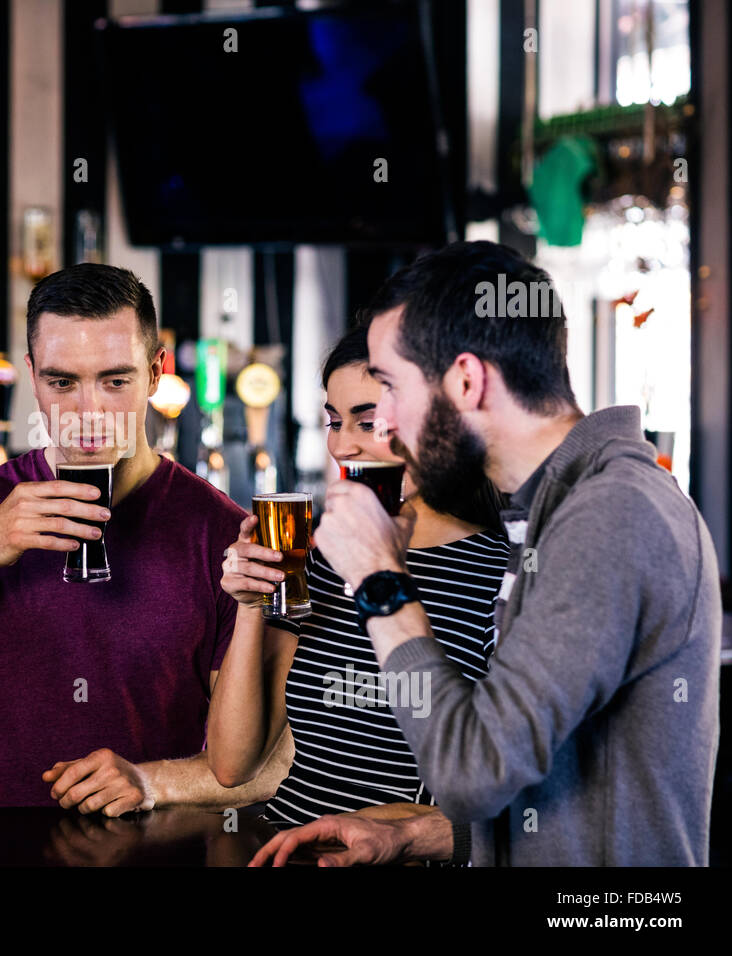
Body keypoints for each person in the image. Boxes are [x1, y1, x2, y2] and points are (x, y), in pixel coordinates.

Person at [301, 240, 720, 865]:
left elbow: (471, 772)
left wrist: (378, 577)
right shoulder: (547, 506)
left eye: (389, 386)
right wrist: (414, 835)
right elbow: (543, 774)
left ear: (467, 381)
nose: (381, 422)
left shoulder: (611, 512)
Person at [0, 263, 293, 812]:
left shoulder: (220, 532)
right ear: (32, 374)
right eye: (62, 382)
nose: (88, 412)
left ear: (155, 373)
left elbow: (268, 763)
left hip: (149, 857)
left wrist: (153, 783)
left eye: (115, 381)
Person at [205, 325, 510, 866]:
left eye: (367, 422)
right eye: (333, 421)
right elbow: (233, 765)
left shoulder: (499, 569)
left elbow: (523, 795)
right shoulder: (319, 550)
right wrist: (251, 606)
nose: (343, 445)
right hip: (287, 850)